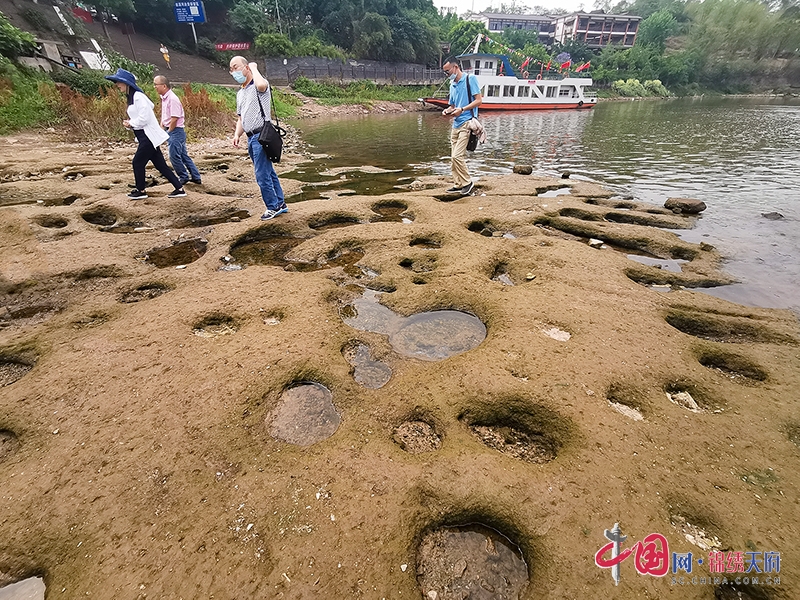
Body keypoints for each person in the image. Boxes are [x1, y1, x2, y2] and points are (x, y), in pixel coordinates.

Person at [105, 68, 186, 200]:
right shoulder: (133, 97)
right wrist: (130, 124)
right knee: (160, 165)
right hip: (145, 136)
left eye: (118, 82)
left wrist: (131, 123)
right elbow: (141, 119)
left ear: (126, 83)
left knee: (137, 162)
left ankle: (141, 190)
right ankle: (179, 188)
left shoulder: (138, 97)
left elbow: (145, 118)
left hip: (147, 137)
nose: (117, 85)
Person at [229, 55, 287, 221]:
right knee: (268, 172)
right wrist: (237, 134)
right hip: (250, 137)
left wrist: (254, 68)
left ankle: (272, 206)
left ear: (246, 67)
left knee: (262, 175)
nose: (234, 71)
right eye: (231, 69)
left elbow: (261, 84)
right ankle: (280, 203)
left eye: (237, 67)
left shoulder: (259, 85)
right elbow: (241, 117)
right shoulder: (240, 93)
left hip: (261, 136)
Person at [441, 57, 483, 195]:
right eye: (445, 72)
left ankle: (468, 183)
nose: (447, 74)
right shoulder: (452, 84)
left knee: (457, 156)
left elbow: (479, 101)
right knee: (453, 157)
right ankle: (458, 184)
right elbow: (452, 105)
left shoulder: (470, 79)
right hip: (456, 124)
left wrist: (462, 109)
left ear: (455, 67)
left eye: (448, 71)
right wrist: (447, 110)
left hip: (467, 122)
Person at [154, 75, 202, 186]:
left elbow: (174, 118)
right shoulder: (165, 98)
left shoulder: (172, 99)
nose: (155, 87)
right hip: (171, 129)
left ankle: (183, 176)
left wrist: (169, 132)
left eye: (156, 84)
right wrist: (161, 129)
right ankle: (196, 176)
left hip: (176, 131)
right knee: (183, 155)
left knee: (174, 156)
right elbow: (165, 116)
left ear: (164, 86)